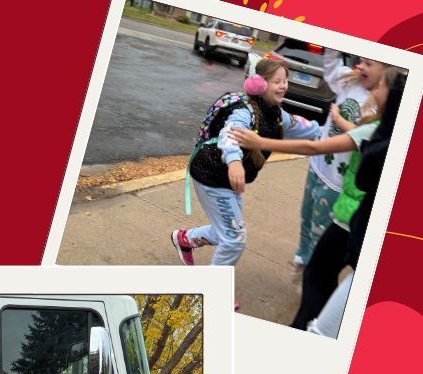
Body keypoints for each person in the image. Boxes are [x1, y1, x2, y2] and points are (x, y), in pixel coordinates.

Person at [232, 67, 401, 331]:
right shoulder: (379, 130)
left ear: (392, 97)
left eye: (381, 86)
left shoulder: (378, 134)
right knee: (323, 276)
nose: (374, 88)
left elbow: (314, 147)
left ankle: (308, 329)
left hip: (350, 222)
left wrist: (260, 141)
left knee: (317, 276)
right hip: (351, 219)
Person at [171, 59, 322, 283]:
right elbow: (230, 133)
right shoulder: (244, 111)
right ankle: (212, 291)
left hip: (229, 182)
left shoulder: (278, 115)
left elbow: (307, 128)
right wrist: (234, 162)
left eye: (285, 81)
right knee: (234, 239)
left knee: (228, 230)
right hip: (211, 176)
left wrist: (334, 134)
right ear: (259, 84)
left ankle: (185, 239)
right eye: (276, 81)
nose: (283, 86)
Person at [288, 52, 381, 270]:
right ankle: (301, 261)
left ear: (385, 73)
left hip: (337, 181)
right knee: (306, 216)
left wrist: (339, 119)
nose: (361, 66)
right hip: (318, 167)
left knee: (320, 228)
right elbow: (331, 64)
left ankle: (313, 270)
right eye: (361, 62)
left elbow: (366, 136)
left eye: (369, 62)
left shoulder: (380, 104)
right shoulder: (350, 82)